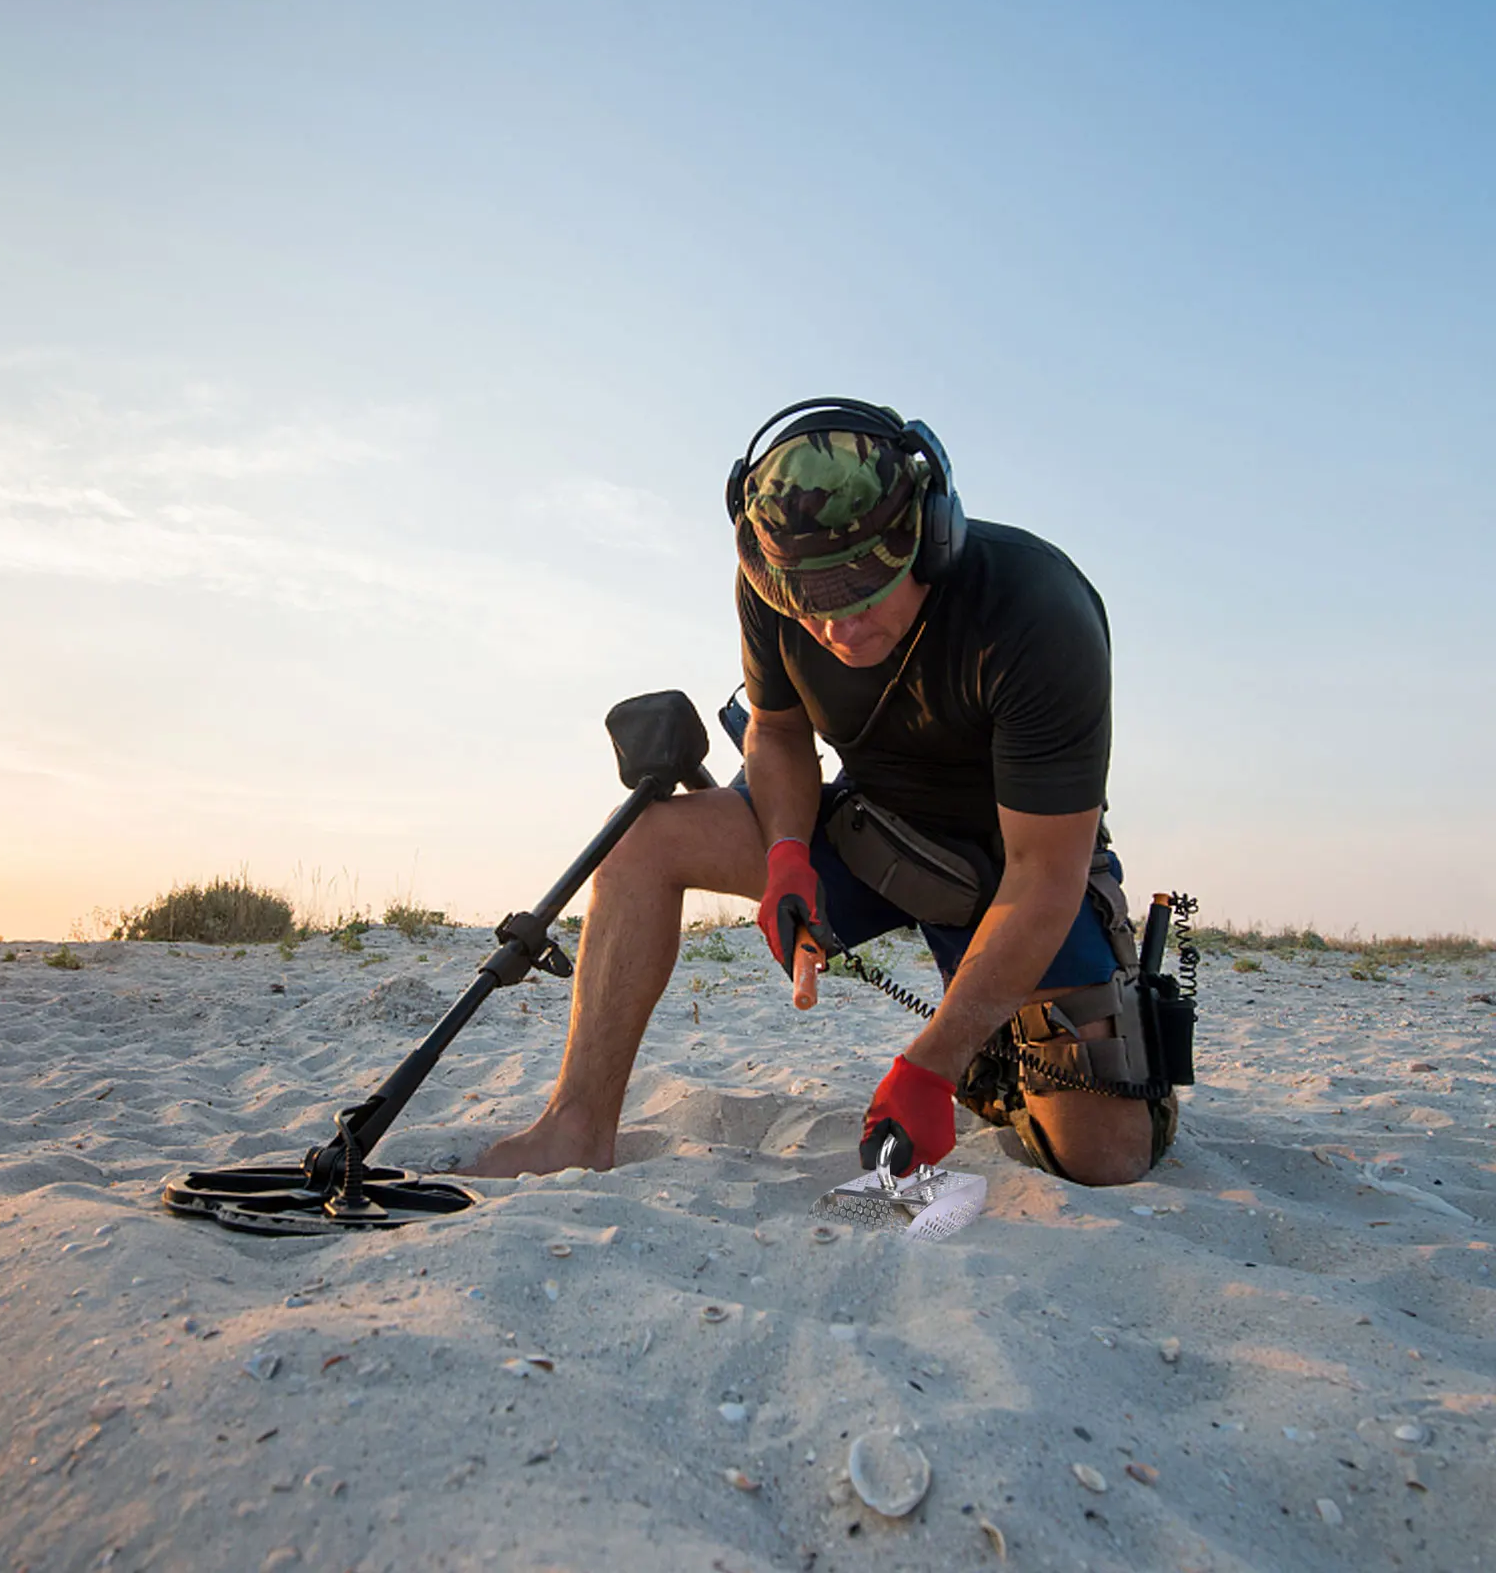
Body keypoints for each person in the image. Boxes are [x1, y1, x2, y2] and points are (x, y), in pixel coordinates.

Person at [474, 398, 1175, 1188]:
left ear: (931, 534)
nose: (840, 629)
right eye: (813, 605)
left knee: (1106, 1157)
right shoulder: (774, 589)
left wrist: (930, 1068)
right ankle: (575, 1126)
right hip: (870, 836)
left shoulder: (1036, 613)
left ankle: (986, 1044)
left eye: (865, 590)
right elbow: (776, 734)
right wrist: (783, 858)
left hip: (1010, 874)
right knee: (639, 839)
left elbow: (1045, 876)